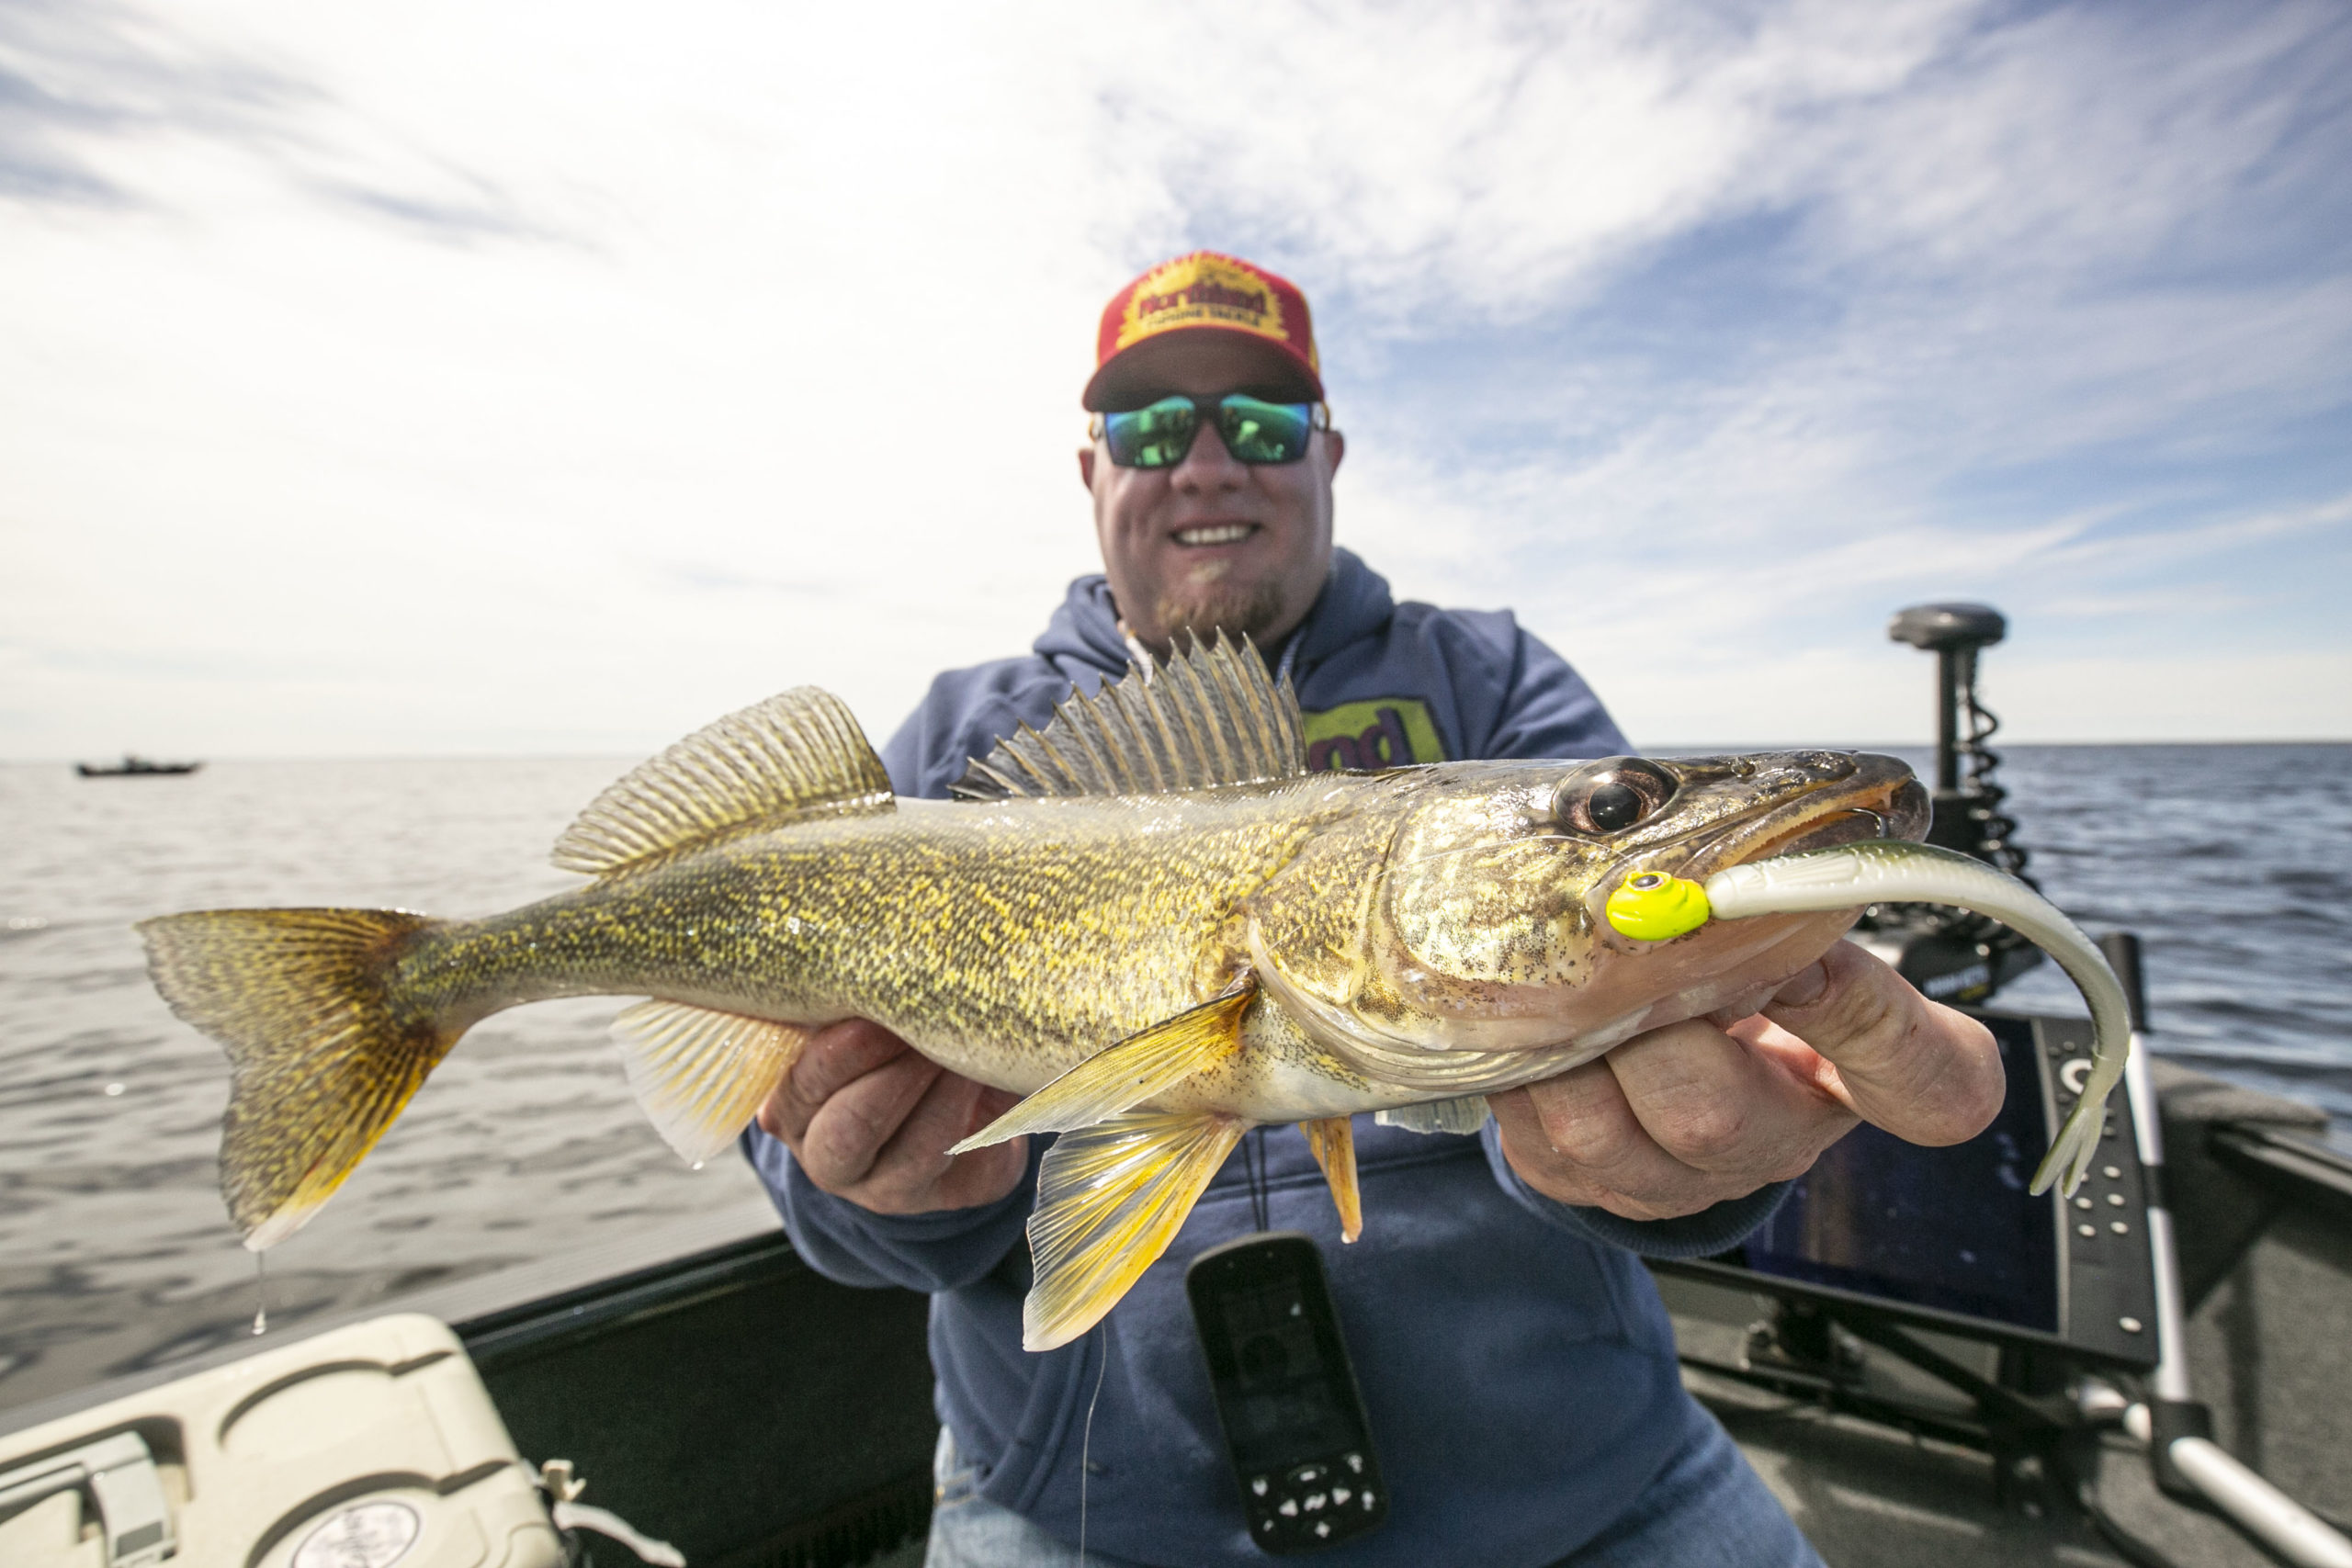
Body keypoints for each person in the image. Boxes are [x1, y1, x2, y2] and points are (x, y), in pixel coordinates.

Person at [741, 251, 2003, 1567]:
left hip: (1586, 1489)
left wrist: (1675, 1168)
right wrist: (893, 1190)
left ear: (1327, 455)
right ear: (1091, 471)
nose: (1212, 462)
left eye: (1266, 423)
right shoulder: (950, 749)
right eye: (1155, 426)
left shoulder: (1496, 683)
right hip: (1084, 1518)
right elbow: (821, 1194)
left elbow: (1640, 1041)